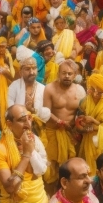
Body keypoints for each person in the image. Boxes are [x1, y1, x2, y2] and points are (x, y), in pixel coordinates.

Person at [42, 60, 85, 192]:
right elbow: (45, 113)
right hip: (52, 132)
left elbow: (83, 112)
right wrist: (61, 123)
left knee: (69, 167)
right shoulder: (49, 88)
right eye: (64, 73)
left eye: (70, 73)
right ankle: (50, 196)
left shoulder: (80, 90)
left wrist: (79, 127)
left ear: (75, 75)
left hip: (71, 134)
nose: (67, 76)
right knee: (51, 168)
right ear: (58, 73)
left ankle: (66, 195)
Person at [77, 73, 103, 171]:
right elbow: (81, 115)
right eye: (93, 89)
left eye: (100, 92)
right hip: (89, 137)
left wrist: (93, 121)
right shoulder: (86, 100)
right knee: (90, 167)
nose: (96, 94)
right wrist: (83, 120)